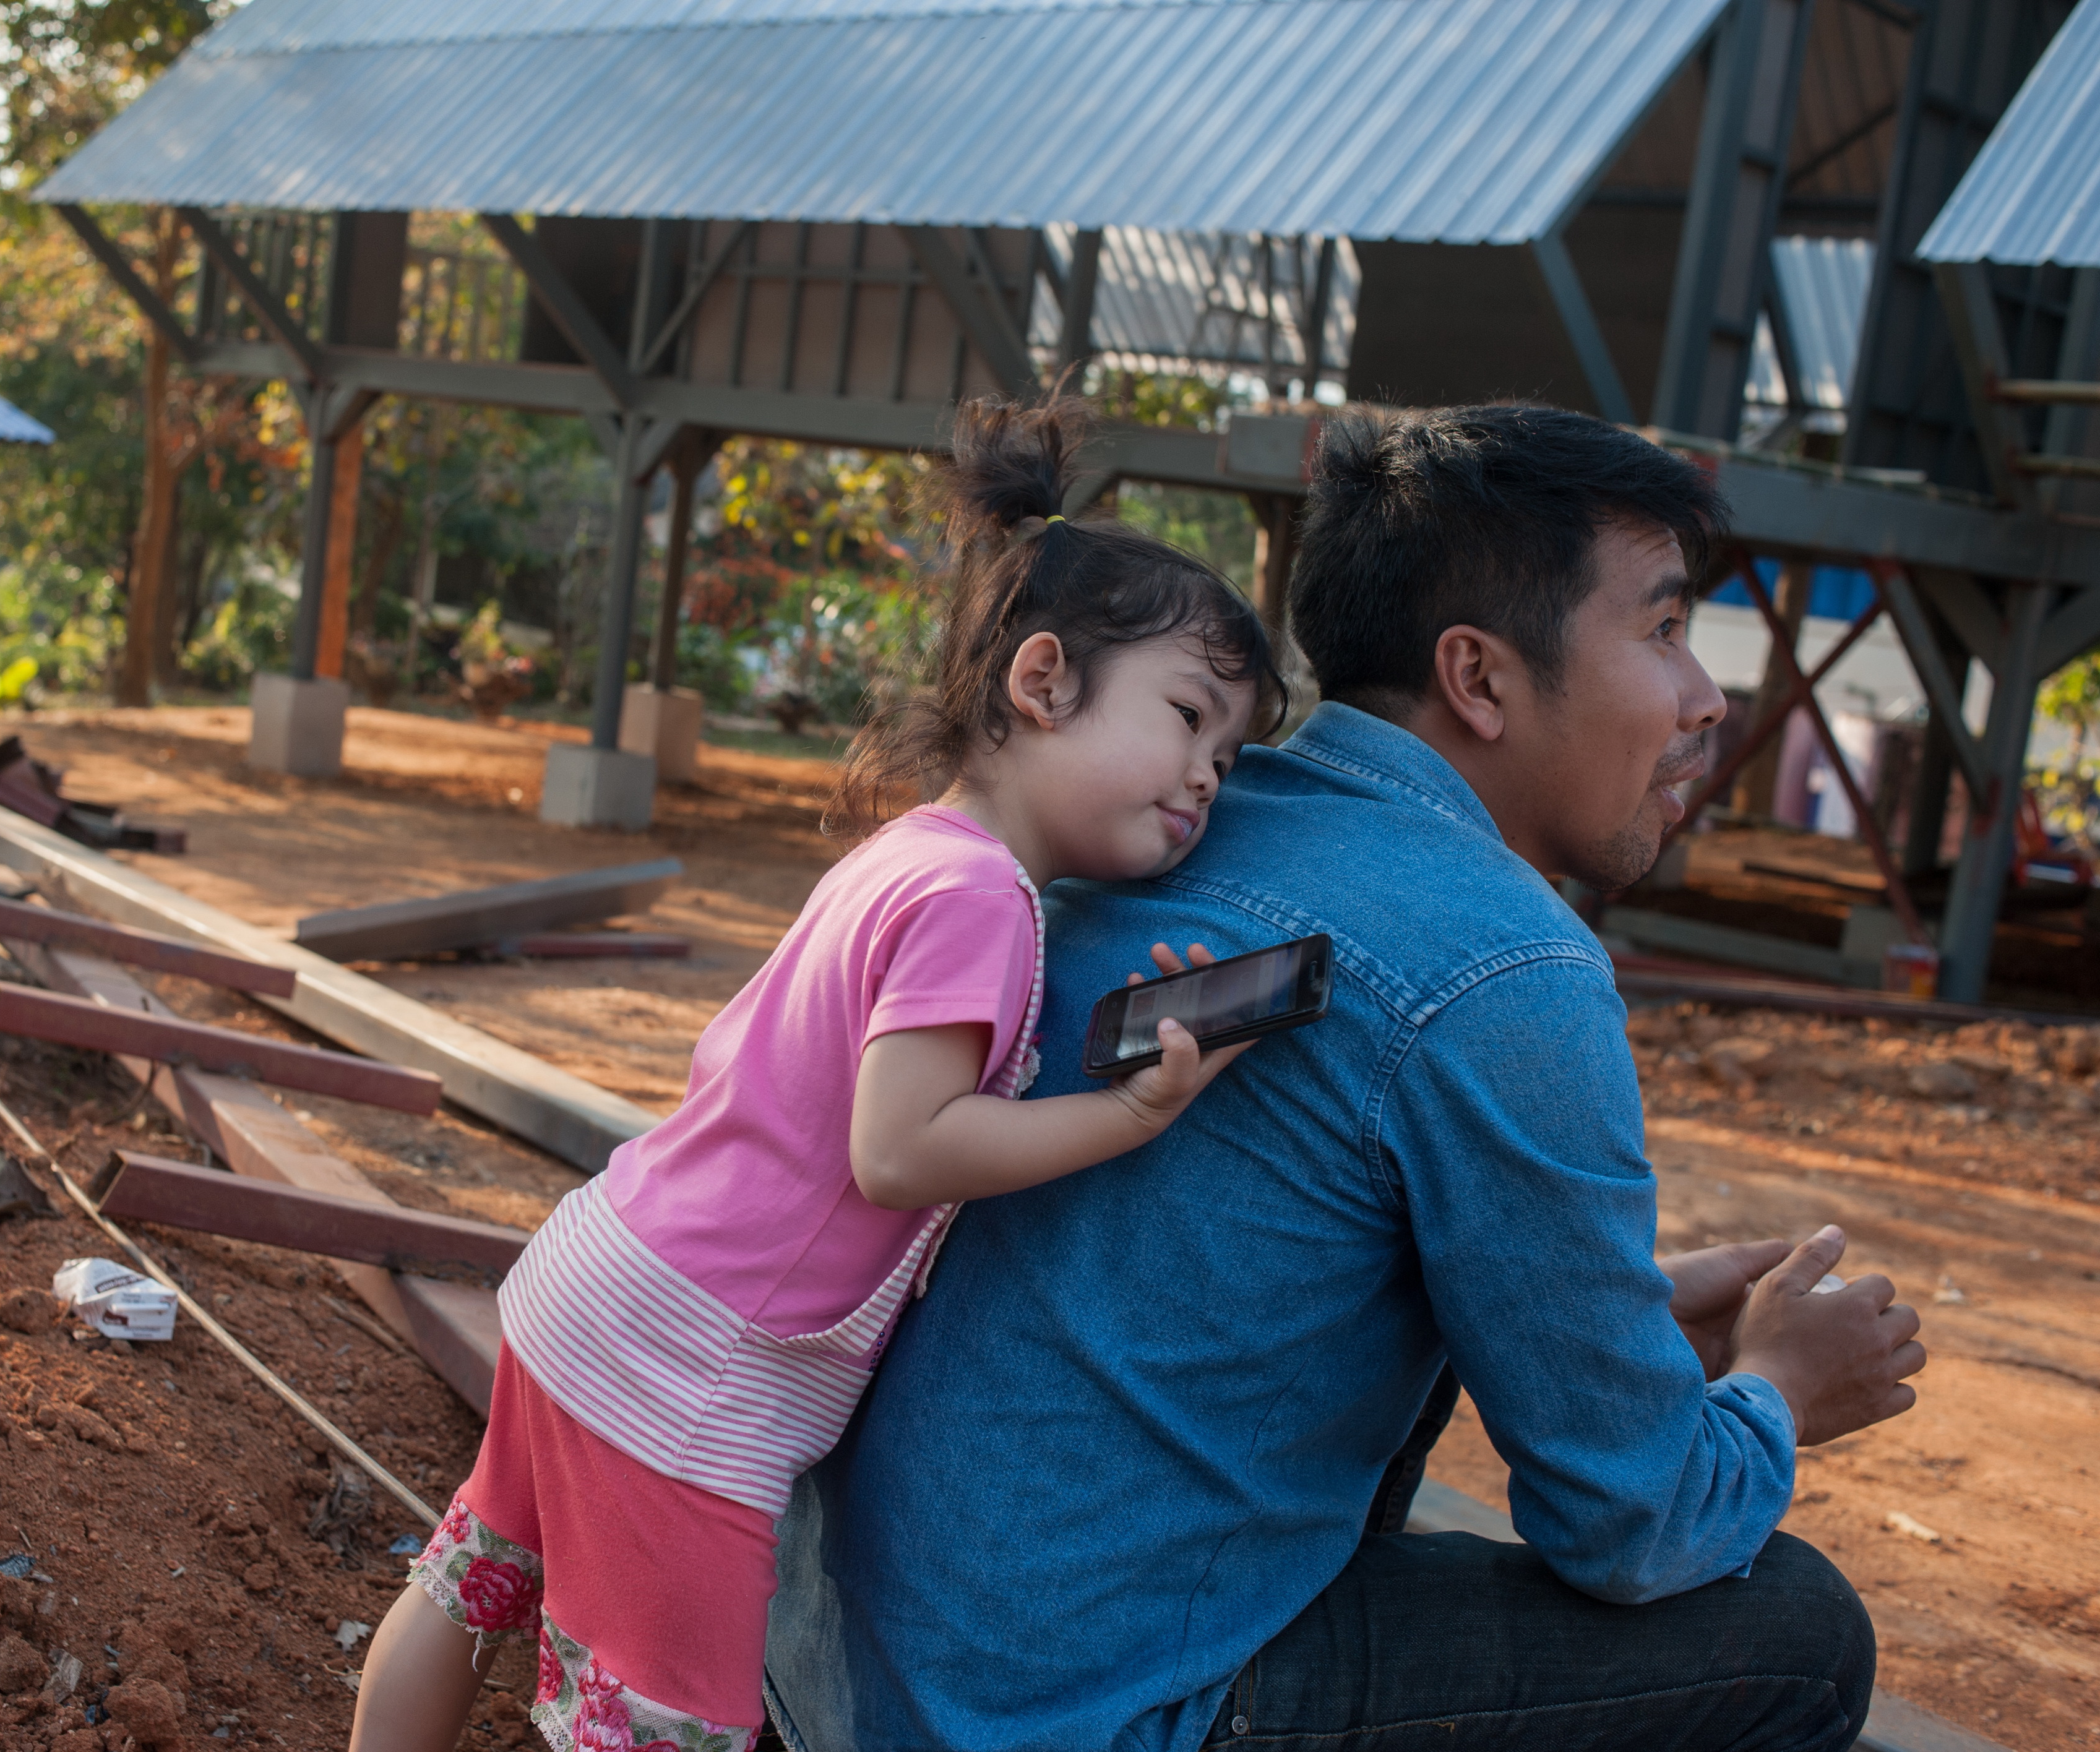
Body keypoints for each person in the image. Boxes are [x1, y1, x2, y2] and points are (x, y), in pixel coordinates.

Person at [764, 405, 1927, 1752]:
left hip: (840, 1662)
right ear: (1478, 679)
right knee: (1790, 1637)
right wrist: (1780, 1390)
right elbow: (1633, 1524)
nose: (1704, 696)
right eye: (1662, 630)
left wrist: (1617, 1313)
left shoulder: (1189, 820)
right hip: (1066, 1714)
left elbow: (1224, 1249)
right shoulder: (1505, 970)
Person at [349, 399, 1286, 1752]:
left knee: (471, 1580)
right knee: (663, 1724)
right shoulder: (983, 902)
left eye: (1228, 756)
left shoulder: (914, 850)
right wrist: (1126, 1112)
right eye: (1190, 719)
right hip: (694, 1375)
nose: (1206, 777)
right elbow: (898, 1152)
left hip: (601, 1278)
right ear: (1041, 682)